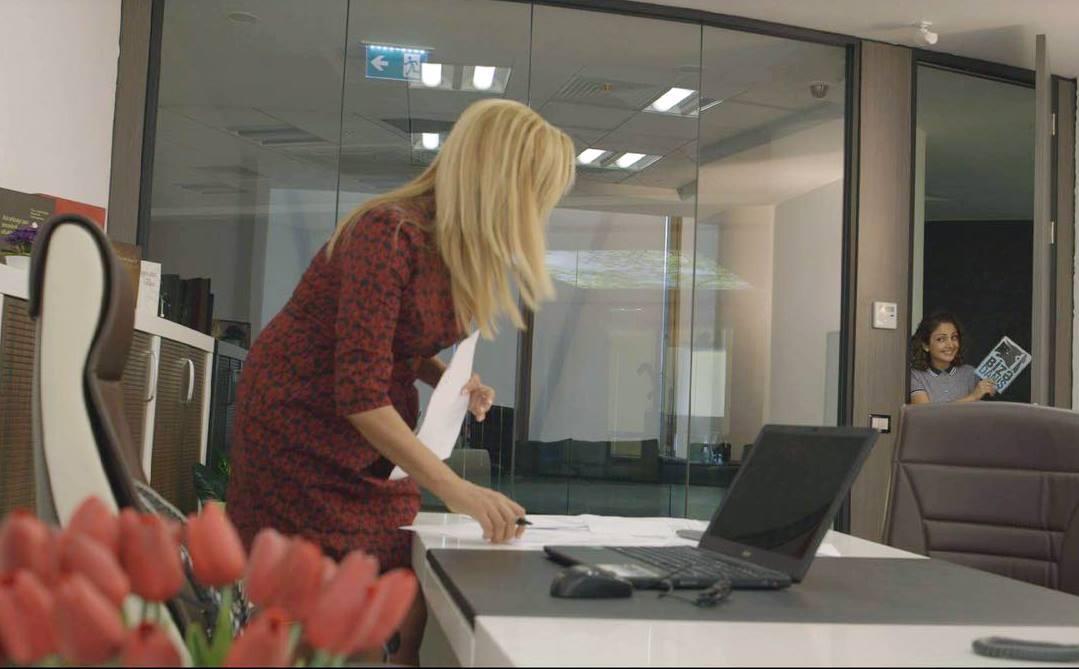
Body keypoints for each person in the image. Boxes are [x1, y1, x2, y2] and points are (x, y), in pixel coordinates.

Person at [227, 99, 576, 664]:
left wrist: (447, 379)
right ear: (500, 182)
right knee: (324, 595)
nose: (536, 211)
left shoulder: (449, 247)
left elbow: (393, 343)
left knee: (399, 573)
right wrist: (458, 491)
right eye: (535, 193)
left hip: (357, 427)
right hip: (300, 424)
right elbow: (361, 394)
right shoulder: (388, 234)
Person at [909, 312, 996, 404]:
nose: (950, 345)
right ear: (926, 345)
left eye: (954, 337)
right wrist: (973, 397)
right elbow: (925, 411)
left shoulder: (970, 373)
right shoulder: (916, 376)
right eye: (941, 339)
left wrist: (990, 388)